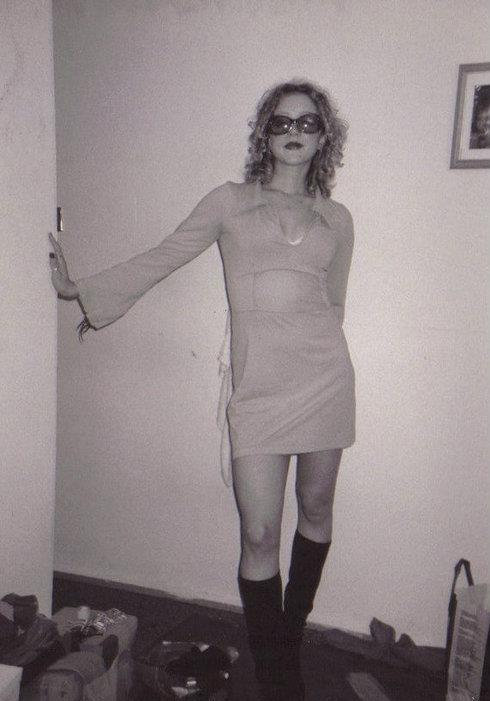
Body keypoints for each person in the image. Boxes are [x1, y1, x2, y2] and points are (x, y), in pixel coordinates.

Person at [49, 79, 355, 701]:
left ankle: (287, 637)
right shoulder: (229, 201)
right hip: (259, 390)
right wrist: (84, 289)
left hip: (325, 379)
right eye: (281, 121)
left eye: (307, 122)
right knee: (259, 534)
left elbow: (335, 303)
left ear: (324, 136)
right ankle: (276, 672)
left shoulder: (338, 218)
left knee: (317, 507)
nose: (293, 132)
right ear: (264, 133)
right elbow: (166, 254)